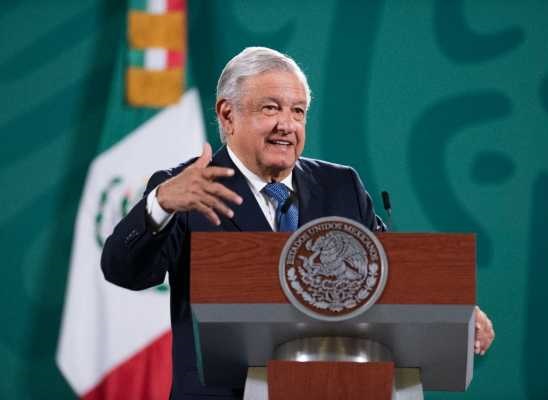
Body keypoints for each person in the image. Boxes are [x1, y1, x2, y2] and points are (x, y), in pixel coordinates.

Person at [101, 47, 494, 399]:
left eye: (298, 111)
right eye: (270, 109)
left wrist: (452, 310)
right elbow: (124, 270)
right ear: (228, 115)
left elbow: (386, 276)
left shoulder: (340, 185)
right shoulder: (188, 189)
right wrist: (160, 204)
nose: (287, 125)